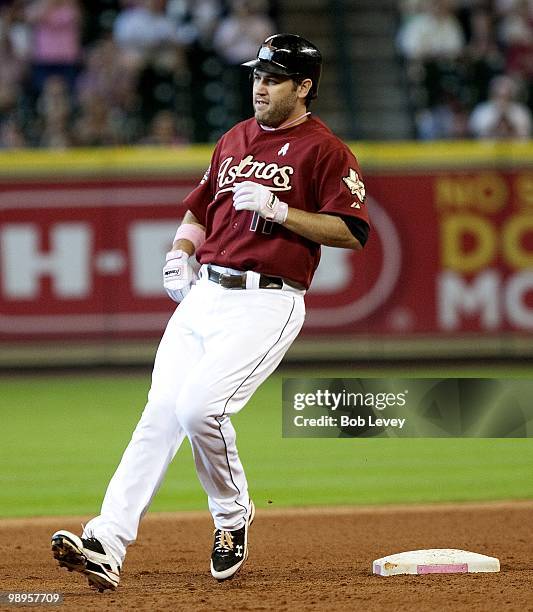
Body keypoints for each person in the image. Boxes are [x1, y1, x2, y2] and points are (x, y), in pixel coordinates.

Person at [50, 33, 370, 591]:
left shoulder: (324, 149)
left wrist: (282, 211)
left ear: (304, 86)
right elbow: (199, 211)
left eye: (273, 78)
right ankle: (107, 541)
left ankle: (232, 514)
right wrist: (180, 252)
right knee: (159, 416)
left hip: (267, 301)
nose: (261, 86)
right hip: (206, 294)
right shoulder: (235, 139)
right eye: (257, 76)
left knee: (200, 410)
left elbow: (352, 231)